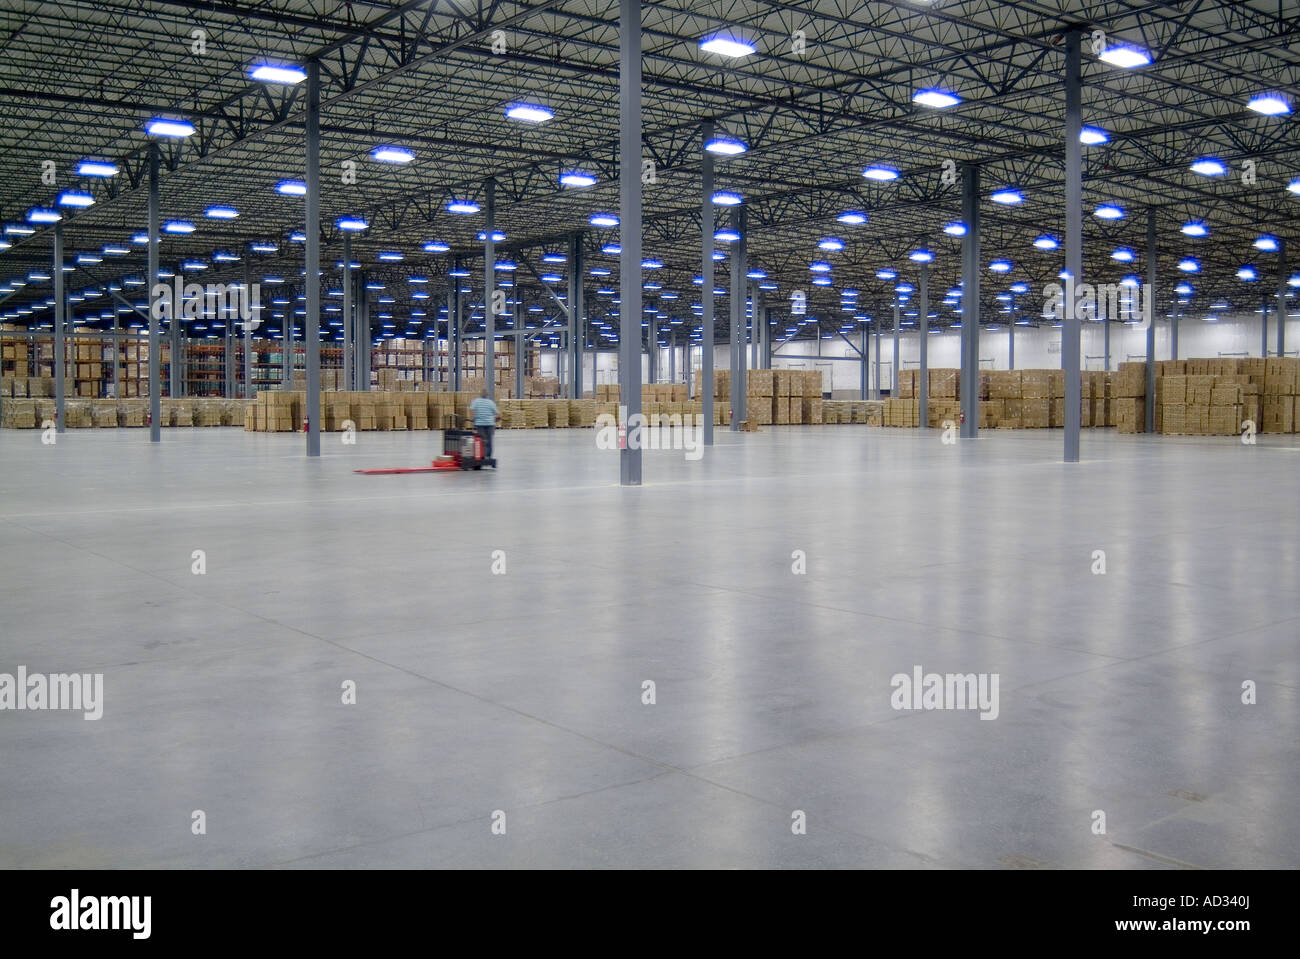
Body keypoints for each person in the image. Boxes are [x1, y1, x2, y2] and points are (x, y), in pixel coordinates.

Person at [468, 387, 501, 468]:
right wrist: (495, 420)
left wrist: (473, 419)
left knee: (482, 441)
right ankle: (488, 457)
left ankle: (481, 457)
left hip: (480, 424)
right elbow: (498, 414)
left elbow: (472, 410)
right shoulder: (491, 402)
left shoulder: (475, 401)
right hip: (490, 424)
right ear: (487, 395)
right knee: (489, 441)